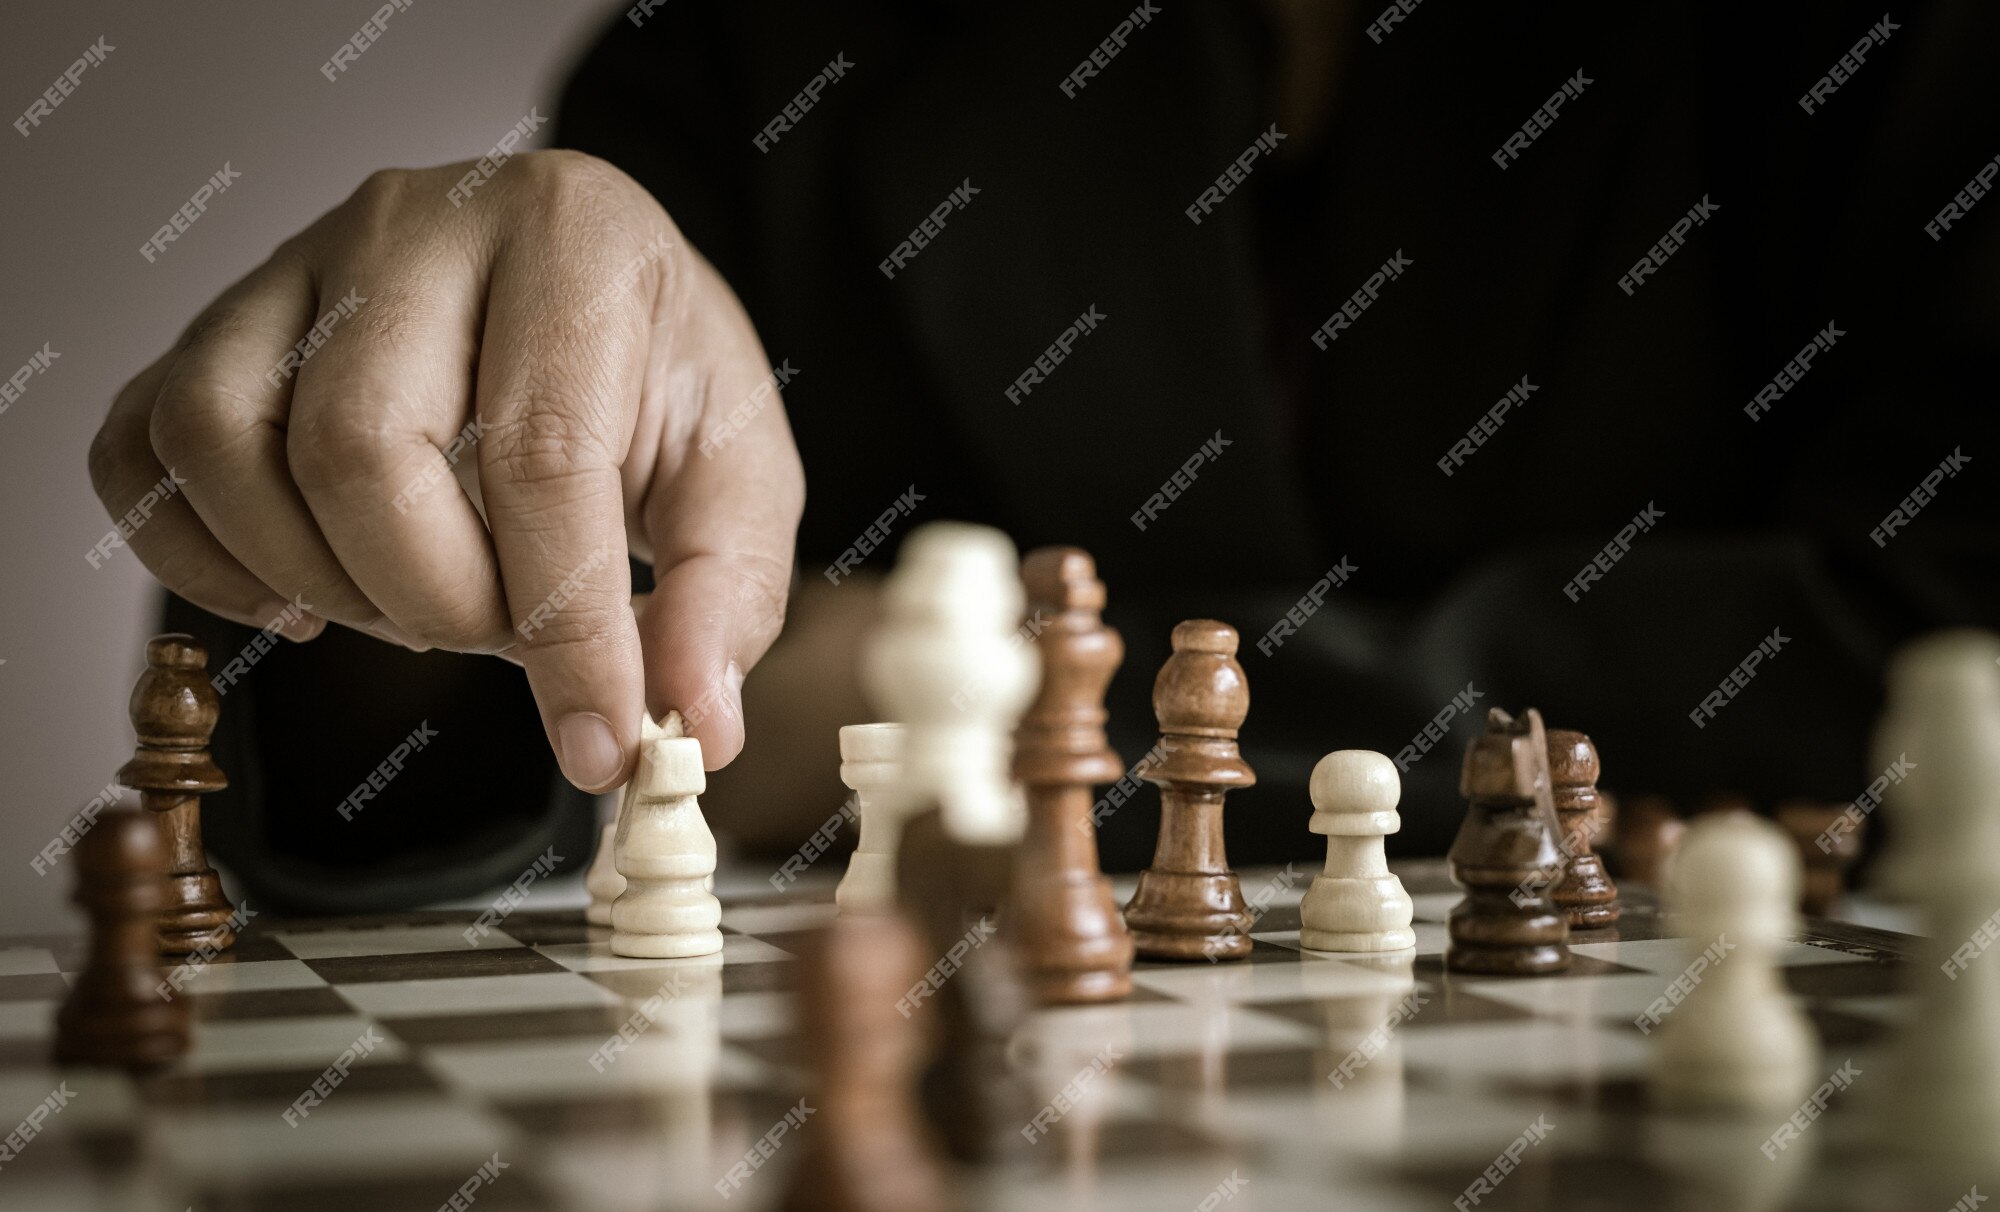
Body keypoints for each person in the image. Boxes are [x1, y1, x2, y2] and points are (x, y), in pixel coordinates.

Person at [86, 3, 2000, 911]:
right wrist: (398, 382)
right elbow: (398, 741)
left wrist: (928, 704)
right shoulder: (754, 65)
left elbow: (1944, 645)